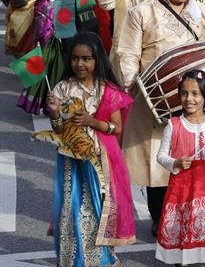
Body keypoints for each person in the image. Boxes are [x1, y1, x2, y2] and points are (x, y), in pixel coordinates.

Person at [117, 0, 205, 237]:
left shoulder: (202, 13)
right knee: (158, 166)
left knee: (192, 161)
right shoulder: (142, 12)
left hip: (193, 101)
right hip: (155, 98)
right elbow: (128, 53)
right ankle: (160, 218)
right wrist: (132, 85)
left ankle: (190, 217)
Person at [43, 32, 136, 266]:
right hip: (70, 160)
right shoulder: (63, 88)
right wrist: (54, 111)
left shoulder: (107, 90)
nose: (80, 64)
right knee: (71, 208)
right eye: (75, 58)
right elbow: (58, 127)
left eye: (86, 58)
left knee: (98, 208)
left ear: (97, 60)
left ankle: (101, 258)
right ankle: (72, 258)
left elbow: (116, 128)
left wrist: (91, 122)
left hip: (98, 162)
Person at [156, 69, 205, 265]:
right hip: (182, 191)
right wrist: (175, 162)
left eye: (195, 94)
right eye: (184, 93)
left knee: (204, 234)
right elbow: (161, 156)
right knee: (182, 232)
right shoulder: (173, 125)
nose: (189, 99)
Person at [18, 0, 88, 114]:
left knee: (63, 57)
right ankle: (31, 99)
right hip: (43, 12)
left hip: (65, 12)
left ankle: (57, 102)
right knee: (41, 55)